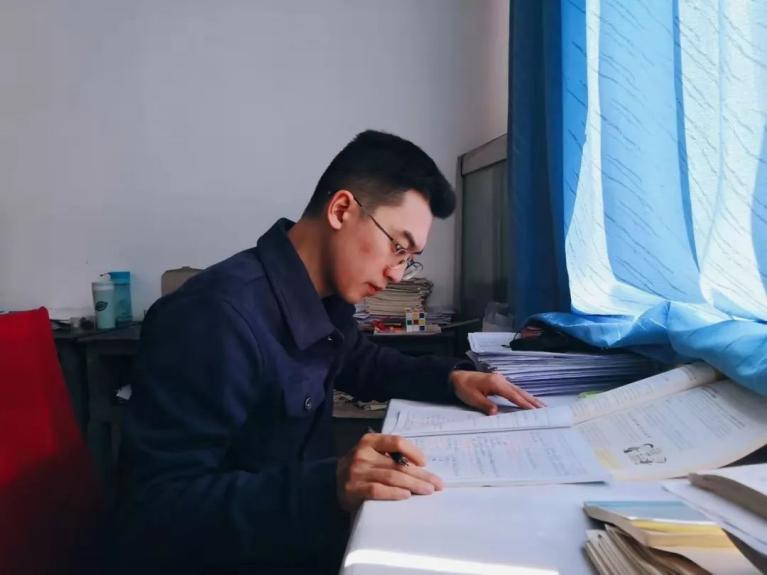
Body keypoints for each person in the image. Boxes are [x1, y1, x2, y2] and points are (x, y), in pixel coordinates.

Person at [110, 130, 543, 574]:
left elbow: (362, 362)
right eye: (397, 247)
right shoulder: (214, 319)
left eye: (409, 258)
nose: (397, 274)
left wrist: (451, 379)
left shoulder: (321, 296)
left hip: (305, 541)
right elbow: (157, 510)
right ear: (341, 210)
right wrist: (329, 485)